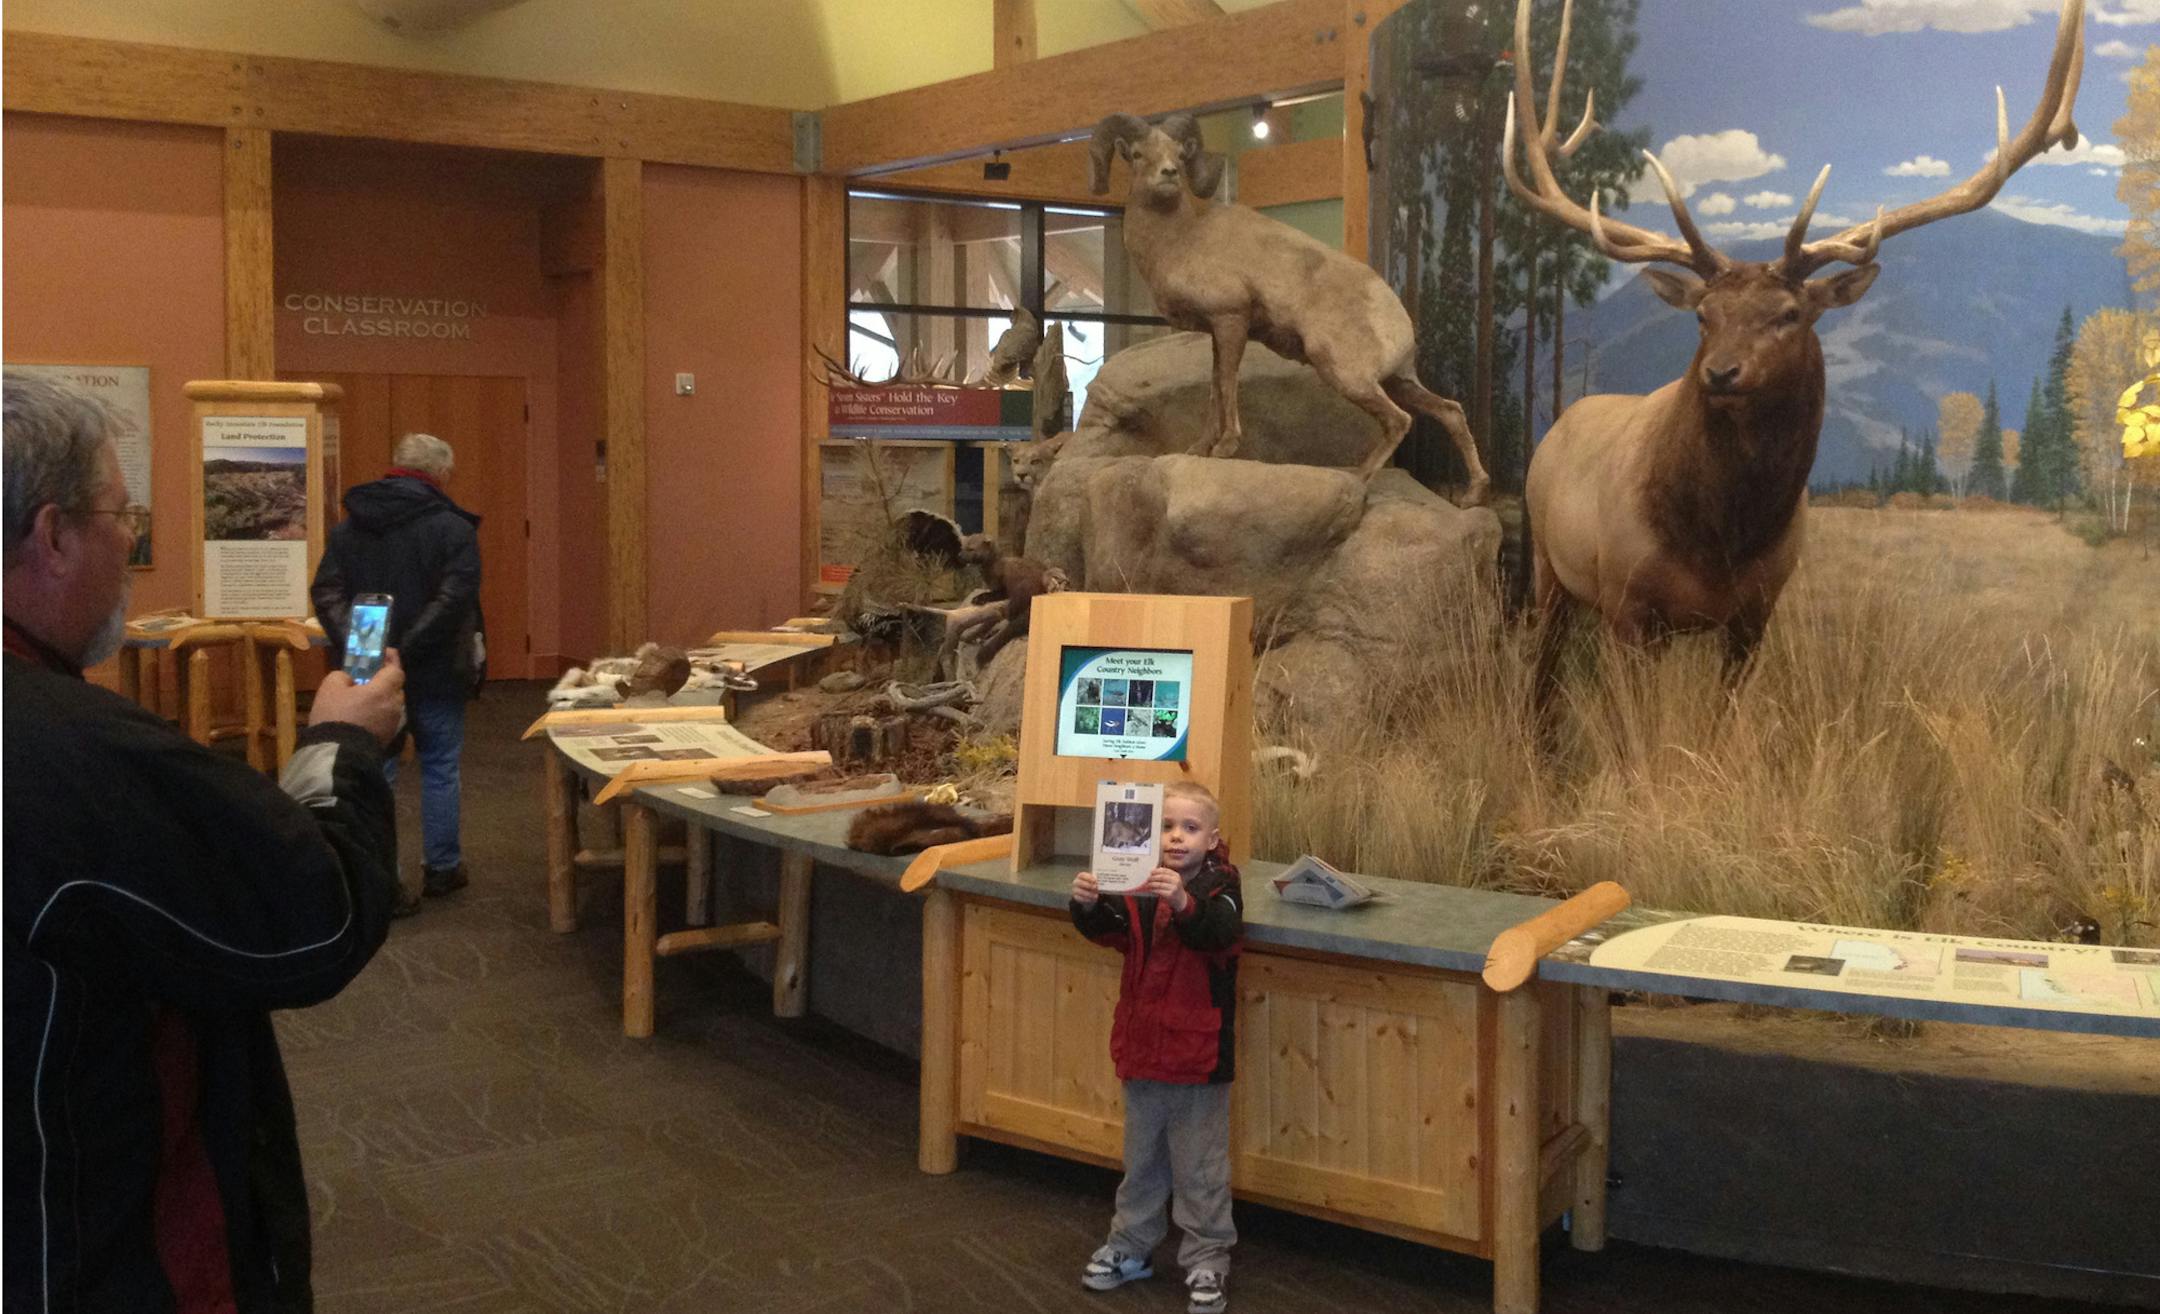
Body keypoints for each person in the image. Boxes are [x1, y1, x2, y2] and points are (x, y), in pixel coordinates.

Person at [3, 374, 407, 1311]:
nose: (133, 546)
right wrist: (342, 743)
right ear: (55, 535)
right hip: (95, 1250)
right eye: (123, 517)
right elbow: (314, 913)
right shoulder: (76, 754)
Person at [1069, 779, 1244, 1314]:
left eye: (1190, 828)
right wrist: (1089, 905)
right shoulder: (1138, 884)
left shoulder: (1222, 888)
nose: (1175, 838)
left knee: (1200, 1168)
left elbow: (1217, 934)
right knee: (1141, 1160)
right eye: (1166, 826)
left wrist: (1181, 901)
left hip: (1197, 1057)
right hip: (1143, 1048)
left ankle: (1207, 1259)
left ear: (1212, 839)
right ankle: (1131, 1246)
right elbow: (1114, 930)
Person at [311, 431, 483, 911]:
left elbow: (327, 591)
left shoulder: (350, 527)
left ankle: (384, 880)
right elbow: (455, 599)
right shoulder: (454, 529)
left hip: (369, 666)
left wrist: (367, 645)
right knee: (441, 765)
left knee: (376, 770)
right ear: (440, 475)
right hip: (438, 665)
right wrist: (407, 648)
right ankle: (443, 869)